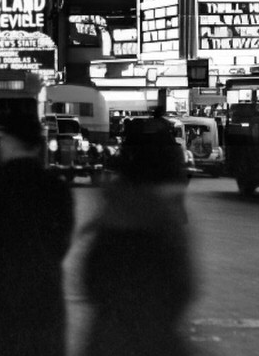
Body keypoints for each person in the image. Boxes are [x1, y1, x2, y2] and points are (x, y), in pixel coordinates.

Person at [0, 110, 74, 356]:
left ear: (9, 142)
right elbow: (62, 240)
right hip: (44, 294)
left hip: (0, 296)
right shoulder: (55, 187)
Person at [80, 116, 194, 356]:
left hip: (108, 341)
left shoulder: (112, 217)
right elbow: (183, 288)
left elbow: (91, 284)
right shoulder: (166, 224)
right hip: (156, 339)